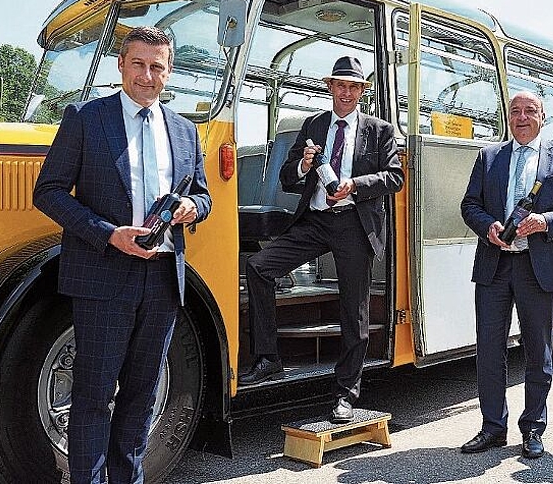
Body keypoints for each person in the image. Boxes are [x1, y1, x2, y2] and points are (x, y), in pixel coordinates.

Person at [33, 26, 211, 483]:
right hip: (103, 275)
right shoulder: (86, 118)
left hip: (163, 283)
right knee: (93, 397)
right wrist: (108, 234)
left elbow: (204, 198)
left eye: (157, 66)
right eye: (138, 64)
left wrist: (193, 207)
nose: (147, 76)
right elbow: (48, 192)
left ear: (169, 72)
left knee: (142, 398)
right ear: (121, 65)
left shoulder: (187, 131)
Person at [239, 56, 404, 424]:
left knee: (354, 312)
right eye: (339, 85)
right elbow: (287, 177)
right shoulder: (313, 124)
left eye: (353, 87)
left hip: (354, 223)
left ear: (361, 92)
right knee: (260, 267)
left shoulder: (380, 130)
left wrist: (355, 186)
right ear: (329, 87)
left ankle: (346, 394)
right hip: (315, 220)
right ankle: (268, 360)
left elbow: (394, 178)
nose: (345, 92)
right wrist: (304, 164)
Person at [459, 91, 553, 459]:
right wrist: (487, 226)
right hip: (495, 266)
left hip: (540, 268)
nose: (521, 117)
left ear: (542, 117)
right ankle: (492, 427)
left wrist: (545, 221)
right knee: (488, 349)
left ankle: (533, 428)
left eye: (529, 111)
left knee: (539, 351)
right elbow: (469, 205)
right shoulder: (488, 157)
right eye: (515, 111)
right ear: (508, 116)